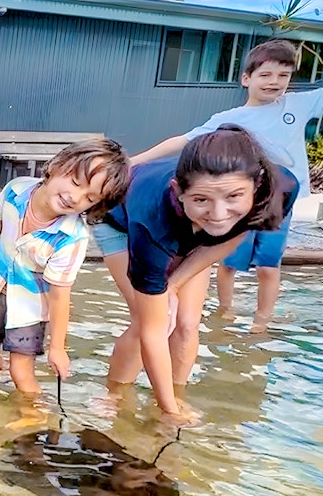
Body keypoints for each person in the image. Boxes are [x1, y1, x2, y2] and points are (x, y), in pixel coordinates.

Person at [96, 125, 295, 421]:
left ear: (257, 185)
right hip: (120, 220)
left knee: (187, 324)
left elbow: (236, 231)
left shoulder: (280, 186)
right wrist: (170, 415)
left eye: (234, 197)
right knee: (152, 321)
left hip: (192, 230)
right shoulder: (149, 223)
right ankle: (115, 395)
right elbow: (152, 332)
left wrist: (174, 285)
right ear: (178, 191)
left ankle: (176, 395)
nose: (219, 213)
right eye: (203, 199)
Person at [130, 40, 323, 333]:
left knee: (270, 266)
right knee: (228, 262)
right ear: (246, 78)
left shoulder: (296, 104)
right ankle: (226, 310)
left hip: (279, 202)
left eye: (283, 76)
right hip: (238, 204)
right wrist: (134, 160)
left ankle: (262, 321)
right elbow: (183, 141)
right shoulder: (230, 119)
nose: (275, 82)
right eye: (266, 75)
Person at [0, 139, 130, 396]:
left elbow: (60, 294)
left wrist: (57, 347)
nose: (75, 197)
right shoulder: (14, 190)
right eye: (75, 182)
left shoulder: (71, 237)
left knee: (22, 372)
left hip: (31, 306)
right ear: (56, 166)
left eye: (90, 197)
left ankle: (36, 415)